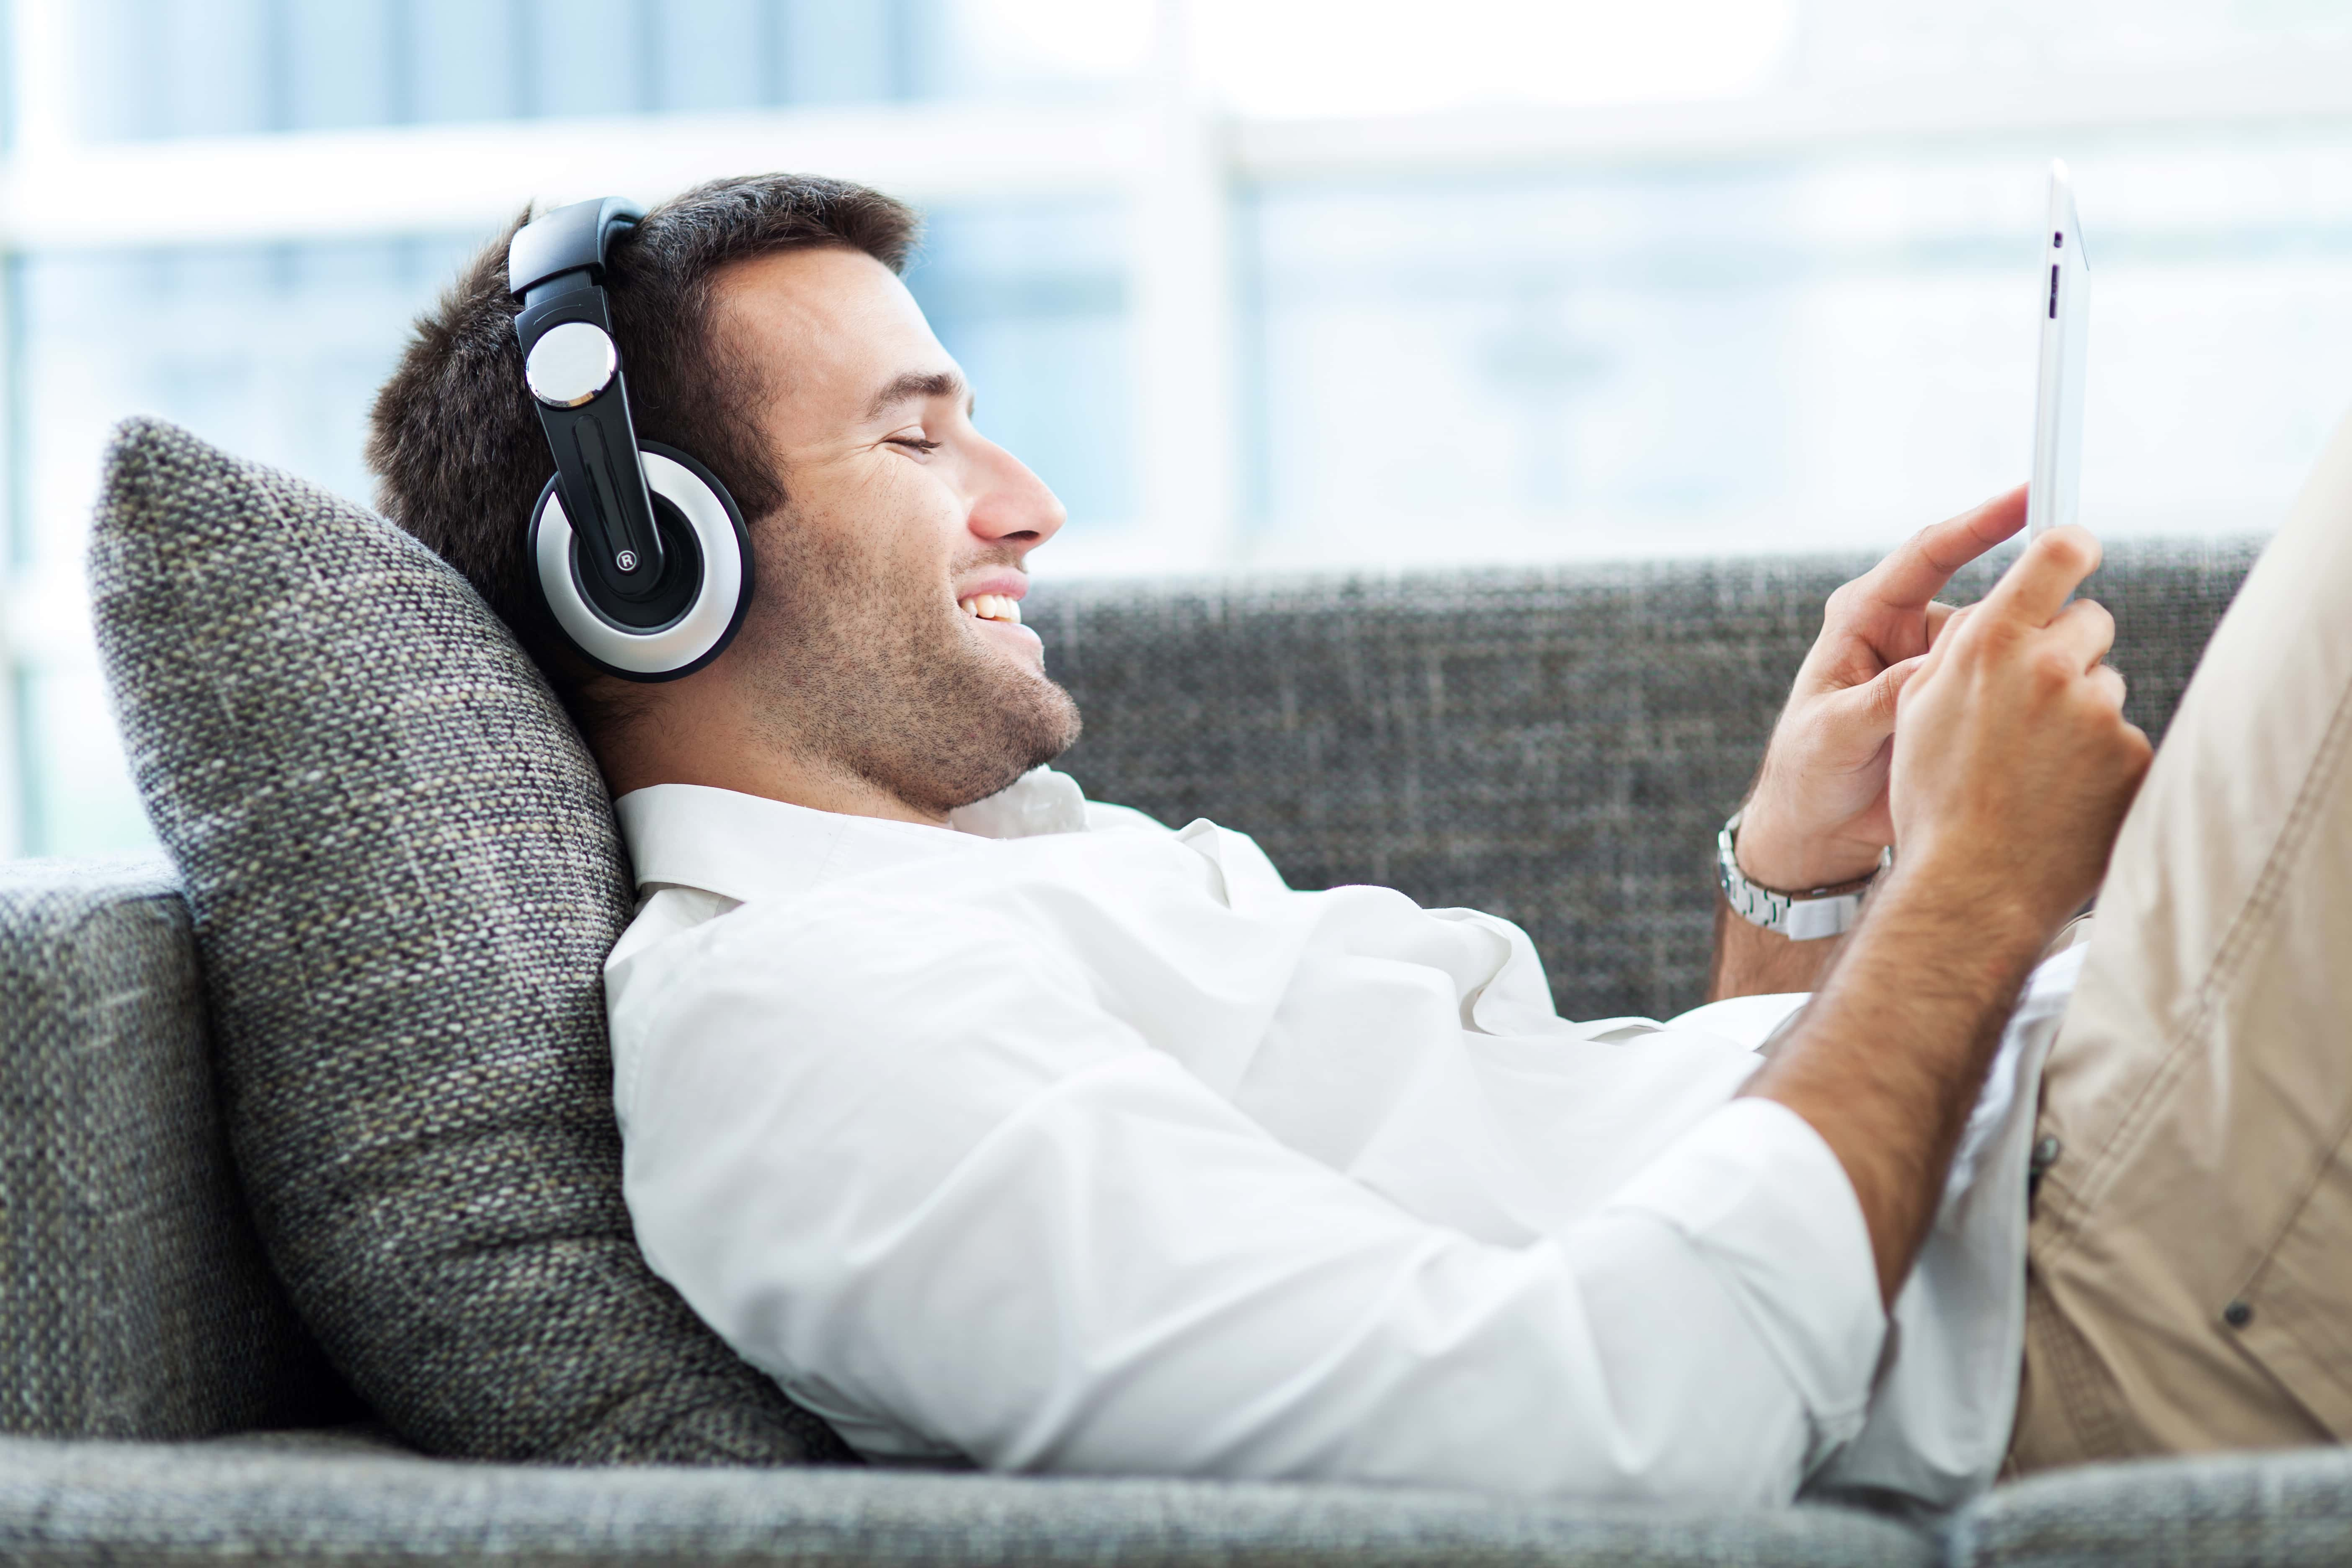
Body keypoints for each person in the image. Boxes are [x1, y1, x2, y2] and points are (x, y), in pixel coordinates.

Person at [366, 172, 2350, 1510]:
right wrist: (1975, 895)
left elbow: (1606, 1188)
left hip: (2065, 1176)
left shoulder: (975, 876)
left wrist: (1804, 892)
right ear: (645, 567)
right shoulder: (804, 1048)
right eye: (917, 438)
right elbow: (1616, 1433)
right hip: (2109, 1290)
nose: (1029, 502)